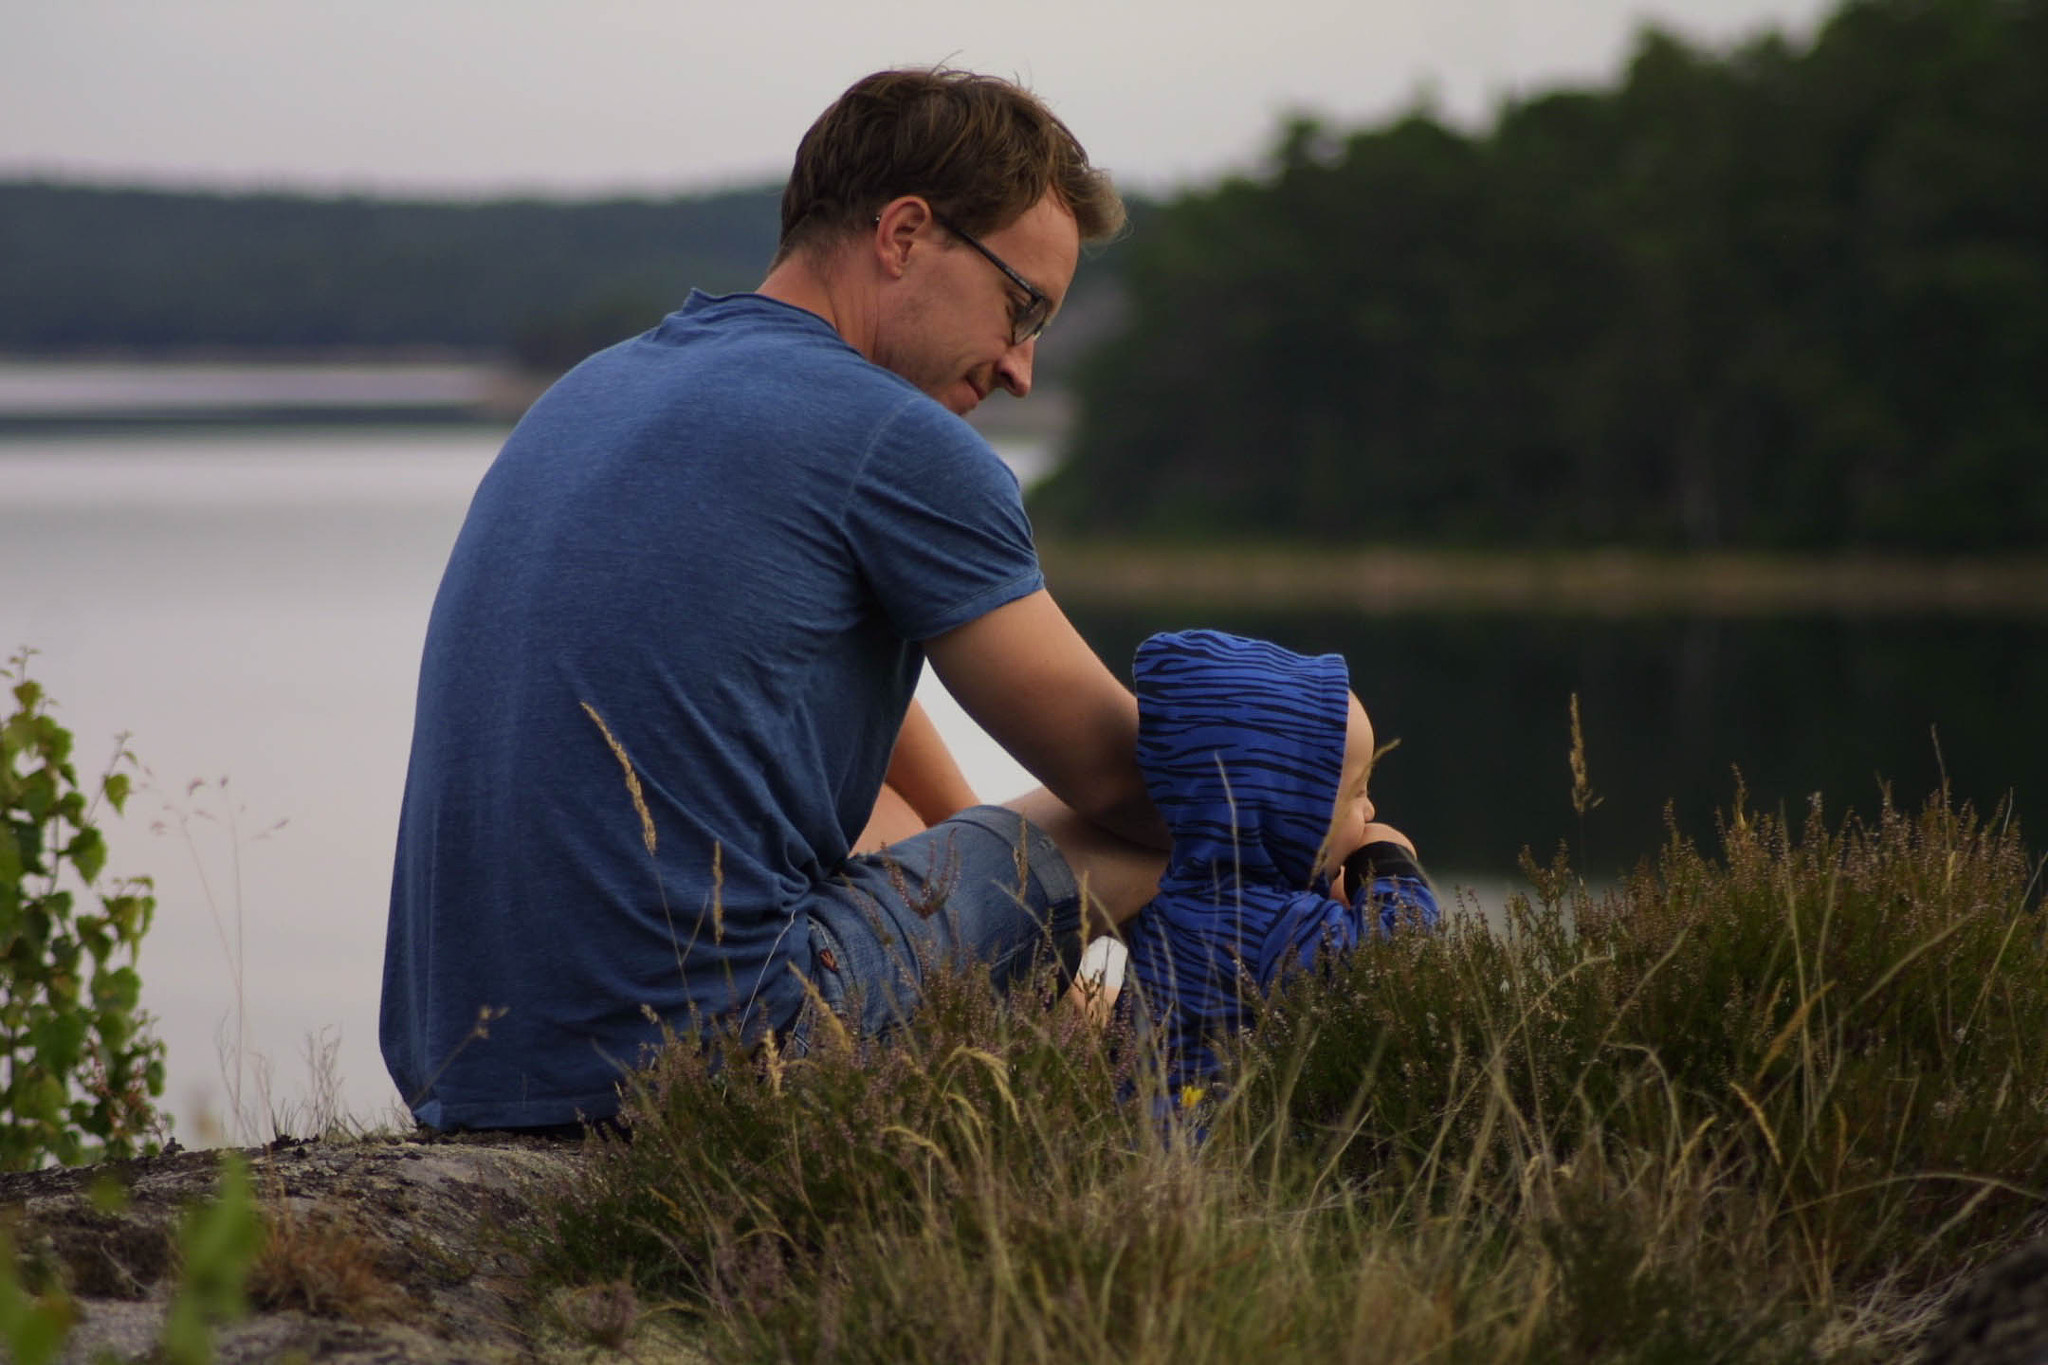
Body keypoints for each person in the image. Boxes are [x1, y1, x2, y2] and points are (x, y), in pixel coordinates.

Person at [380, 69, 1169, 1132]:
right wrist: (1337, 801)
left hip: (457, 1069)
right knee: (1186, 820)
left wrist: (974, 889)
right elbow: (1131, 785)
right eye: (1020, 307)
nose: (1023, 368)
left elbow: (791, 690)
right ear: (902, 235)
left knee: (893, 826)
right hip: (702, 1061)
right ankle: (1153, 1117)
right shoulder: (895, 440)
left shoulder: (598, 390)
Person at [1091, 629, 1439, 1087]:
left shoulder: (1178, 906)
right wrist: (1385, 860)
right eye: (1357, 793)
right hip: (1216, 1146)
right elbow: (1401, 956)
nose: (1370, 811)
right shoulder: (1271, 926)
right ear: (1286, 814)